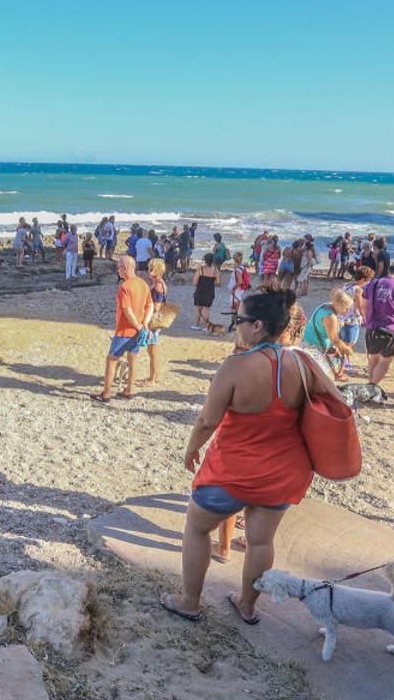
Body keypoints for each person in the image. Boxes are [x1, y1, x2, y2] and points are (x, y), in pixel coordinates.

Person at [161, 290, 340, 624]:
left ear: (258, 325)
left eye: (238, 320)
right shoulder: (302, 363)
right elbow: (331, 406)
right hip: (283, 472)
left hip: (233, 469)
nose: (235, 327)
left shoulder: (236, 366)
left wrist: (191, 448)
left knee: (197, 529)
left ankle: (189, 601)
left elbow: (207, 421)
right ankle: (246, 605)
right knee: (260, 542)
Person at [93, 256, 153, 403]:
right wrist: (144, 323)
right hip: (139, 330)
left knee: (112, 359)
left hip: (126, 330)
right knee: (132, 359)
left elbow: (128, 311)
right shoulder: (143, 283)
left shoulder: (125, 287)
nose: (117, 270)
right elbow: (150, 306)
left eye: (119, 267)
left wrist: (139, 326)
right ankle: (129, 390)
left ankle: (106, 394)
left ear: (125, 268)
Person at [302, 288, 357, 381]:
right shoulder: (330, 316)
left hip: (308, 341)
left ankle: (338, 374)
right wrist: (347, 349)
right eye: (346, 307)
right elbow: (335, 340)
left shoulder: (326, 306)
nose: (348, 310)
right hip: (312, 347)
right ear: (340, 305)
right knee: (323, 378)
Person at [142, 259, 168, 386]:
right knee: (153, 350)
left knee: (152, 351)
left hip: (154, 321)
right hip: (156, 321)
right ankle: (154, 375)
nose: (148, 271)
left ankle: (152, 378)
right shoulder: (160, 283)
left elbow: (157, 306)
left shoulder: (158, 285)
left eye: (151, 268)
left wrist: (147, 319)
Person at [337, 266, 374, 353]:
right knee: (349, 347)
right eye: (369, 279)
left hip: (341, 318)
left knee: (341, 345)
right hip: (351, 321)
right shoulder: (358, 290)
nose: (369, 282)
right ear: (363, 279)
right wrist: (364, 318)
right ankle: (344, 365)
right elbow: (359, 308)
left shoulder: (347, 285)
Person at [191, 253, 219, 330]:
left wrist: (200, 284)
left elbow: (194, 282)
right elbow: (218, 282)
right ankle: (207, 327)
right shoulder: (215, 270)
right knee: (207, 309)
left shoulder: (201, 269)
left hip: (200, 291)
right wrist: (211, 283)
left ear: (205, 260)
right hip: (210, 292)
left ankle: (196, 325)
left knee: (198, 308)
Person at [225, 252, 251, 331]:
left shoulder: (237, 270)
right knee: (236, 308)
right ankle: (235, 324)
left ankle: (235, 325)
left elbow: (239, 282)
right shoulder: (242, 267)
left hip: (237, 291)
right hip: (239, 290)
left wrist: (233, 289)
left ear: (234, 259)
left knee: (235, 308)